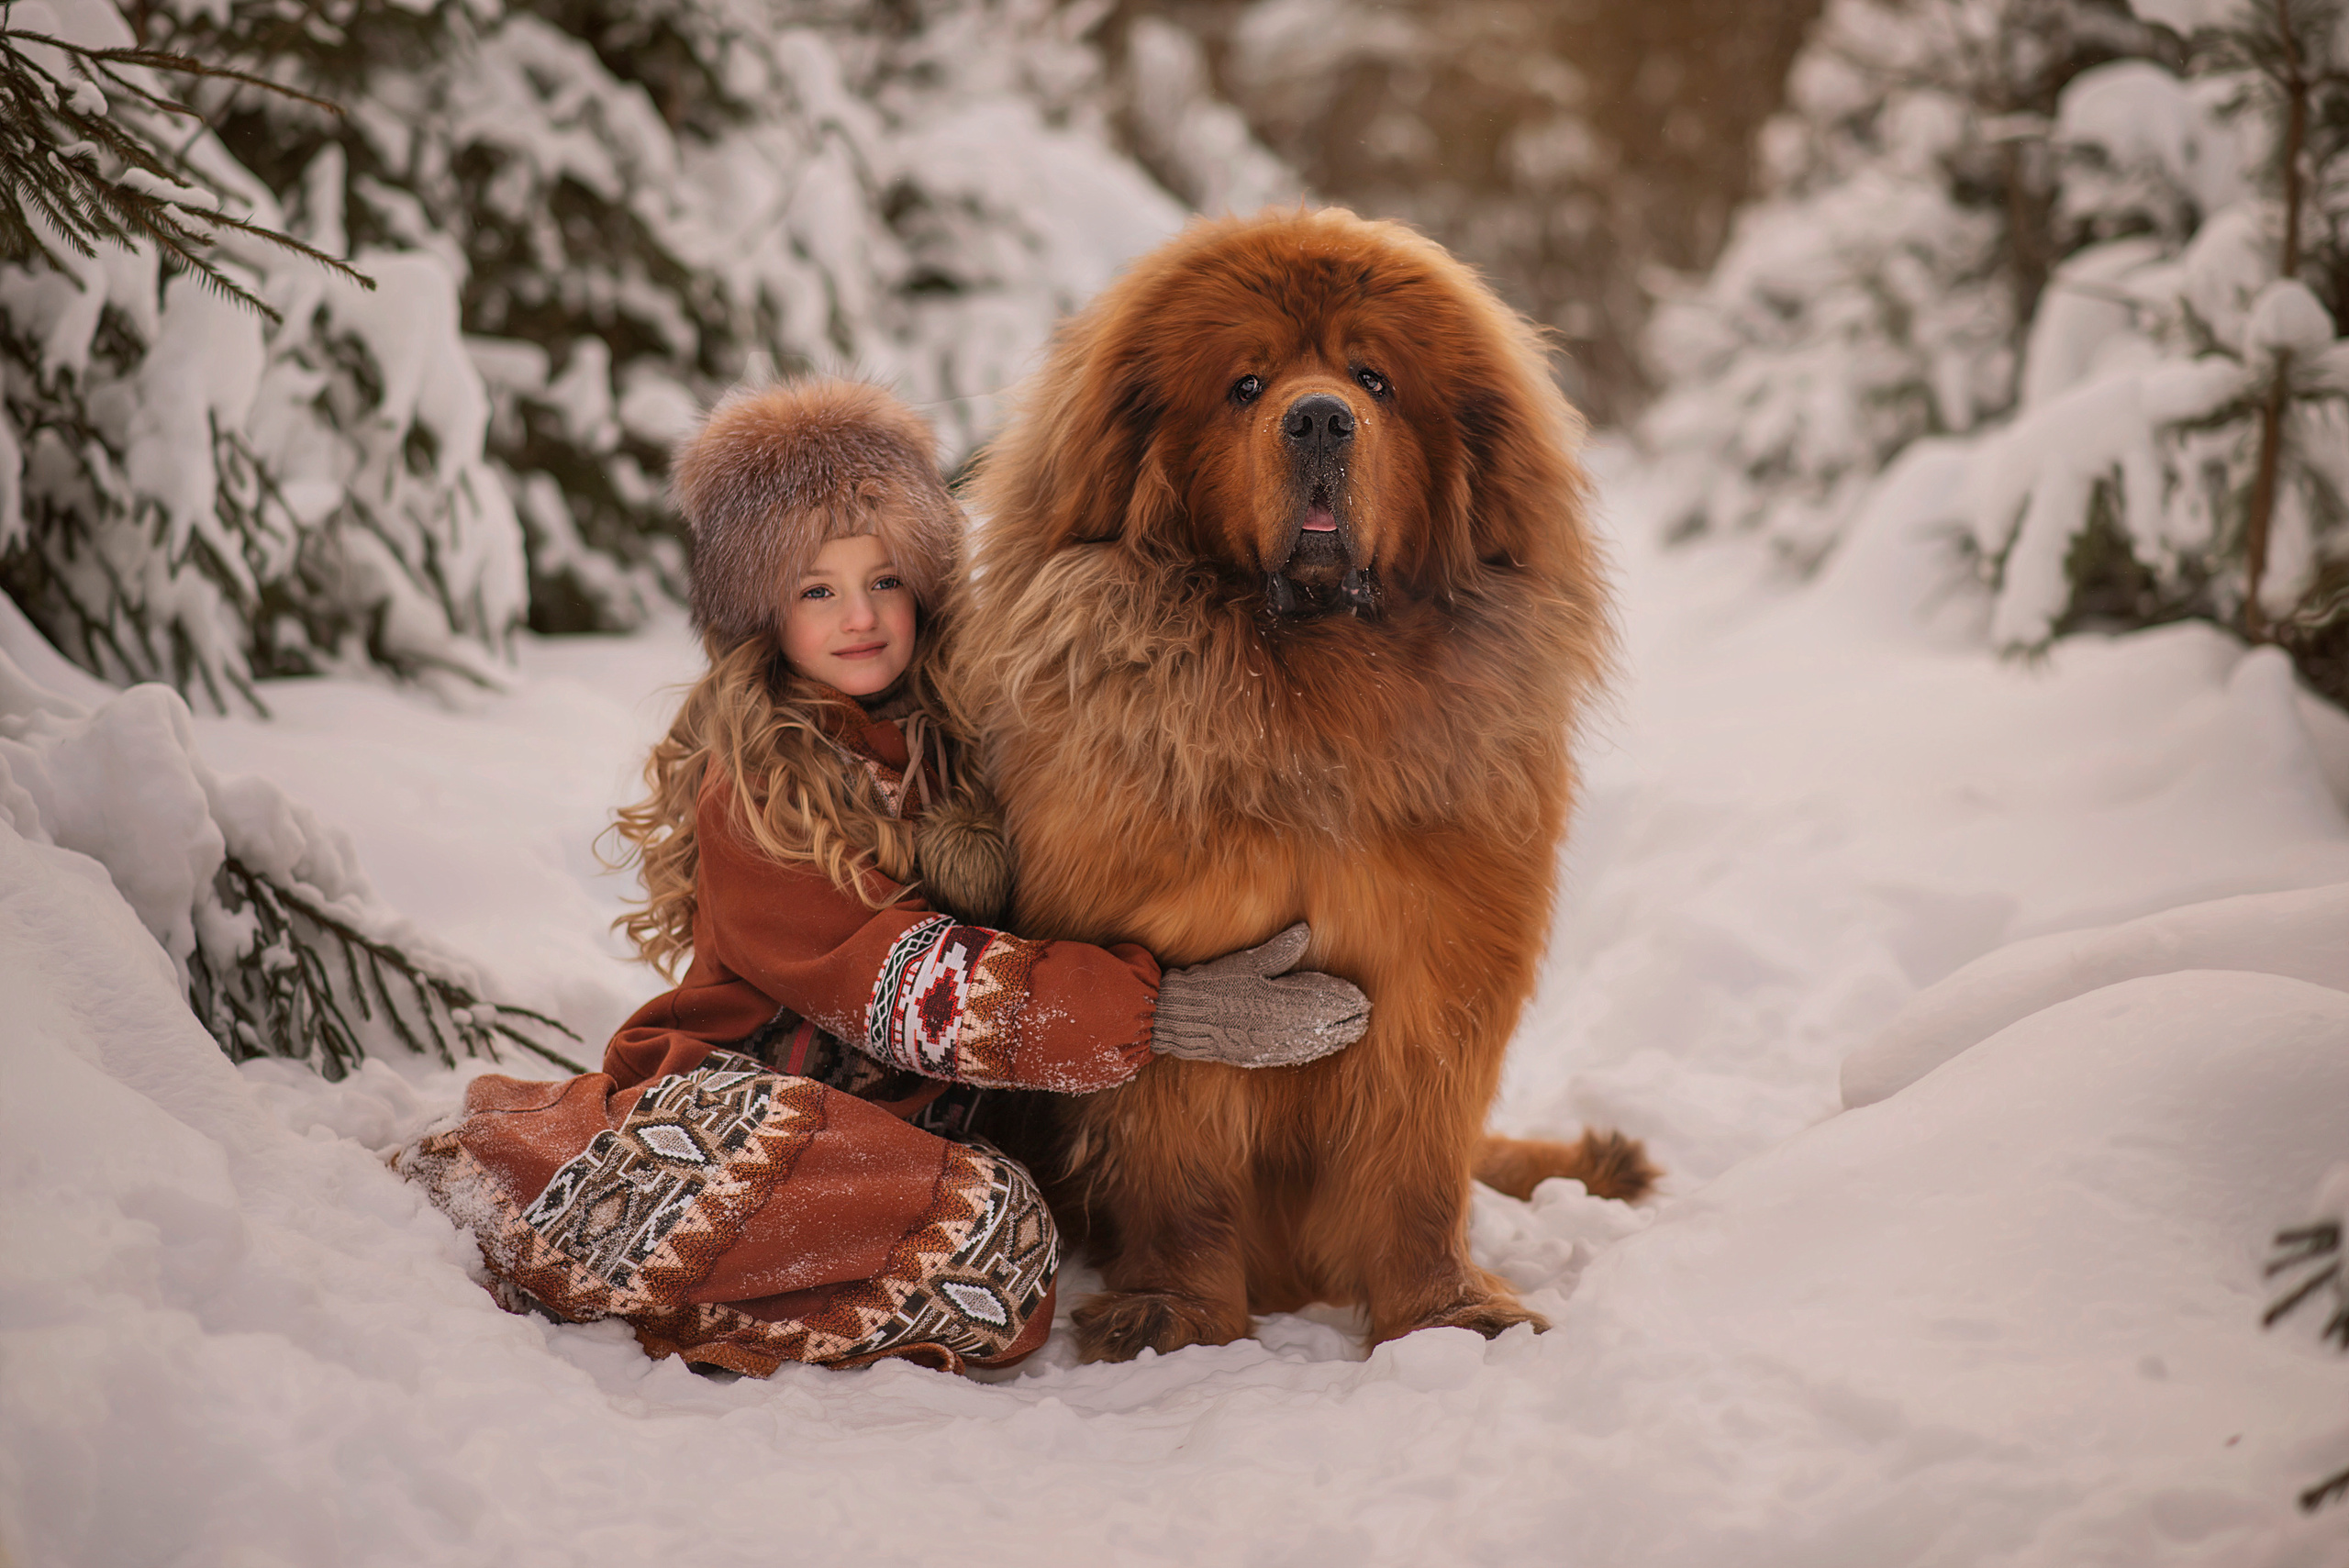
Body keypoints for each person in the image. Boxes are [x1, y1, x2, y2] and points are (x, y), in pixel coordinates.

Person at [396, 378, 1370, 1375]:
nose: (858, 617)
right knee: (987, 1221)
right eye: (817, 589)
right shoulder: (757, 785)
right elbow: (896, 981)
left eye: (886, 580)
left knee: (993, 1249)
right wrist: (1156, 1011)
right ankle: (565, 1224)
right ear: (761, 611)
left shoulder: (960, 751)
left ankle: (711, 1274)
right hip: (744, 1098)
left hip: (889, 1147)